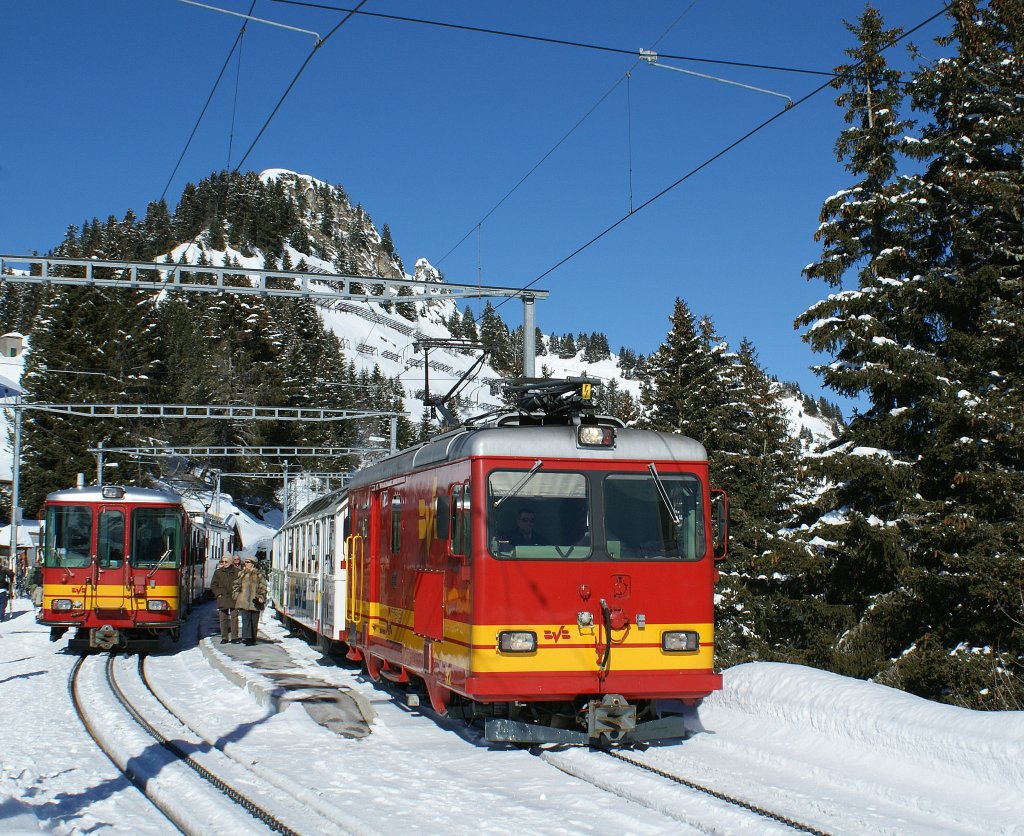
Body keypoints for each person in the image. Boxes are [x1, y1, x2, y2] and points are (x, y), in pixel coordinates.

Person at [232, 556, 267, 646]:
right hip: (243, 601)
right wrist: (236, 595)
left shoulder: (259, 574)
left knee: (254, 621)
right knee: (245, 620)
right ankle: (247, 638)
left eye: (248, 562)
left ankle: (253, 639)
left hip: (255, 602)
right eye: (245, 562)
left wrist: (260, 597)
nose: (246, 564)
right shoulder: (242, 574)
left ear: (252, 563)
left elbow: (263, 587)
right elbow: (236, 584)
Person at [210, 555, 239, 643]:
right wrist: (218, 594)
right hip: (223, 597)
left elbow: (241, 584)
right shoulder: (218, 572)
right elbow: (213, 585)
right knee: (223, 618)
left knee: (234, 618)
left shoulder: (237, 572)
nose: (224, 563)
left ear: (230, 562)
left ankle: (234, 637)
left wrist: (238, 593)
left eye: (226, 562)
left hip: (233, 597)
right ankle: (224, 637)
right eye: (223, 562)